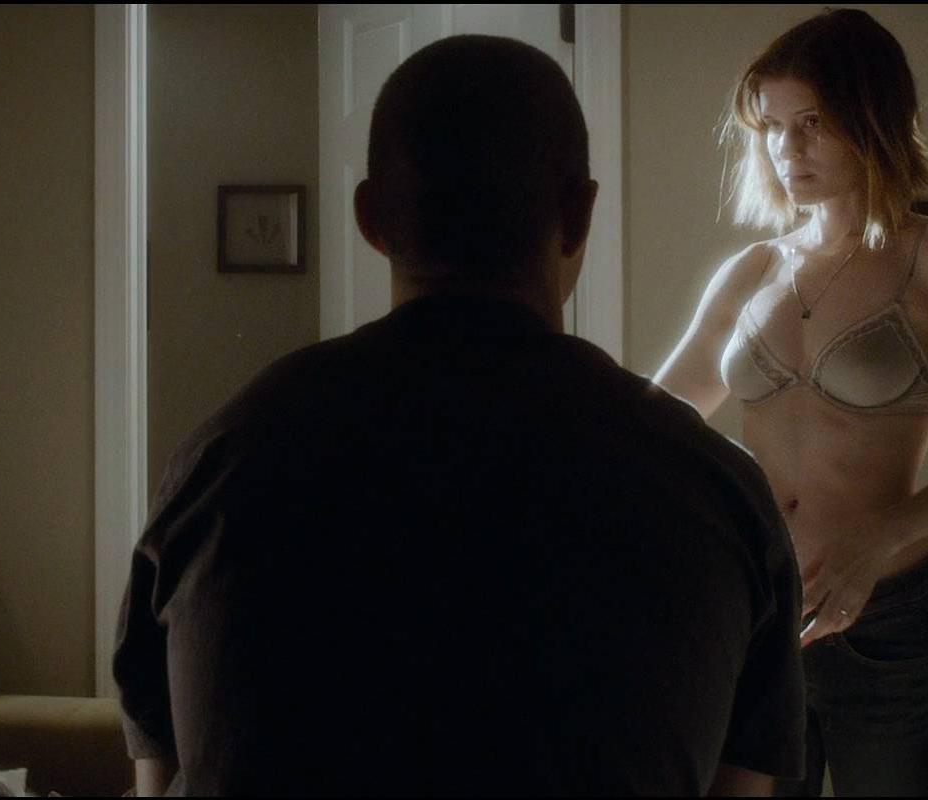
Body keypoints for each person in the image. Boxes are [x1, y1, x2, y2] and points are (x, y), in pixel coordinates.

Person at [113, 34, 805, 797]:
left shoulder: (221, 461)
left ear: (371, 218)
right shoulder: (719, 496)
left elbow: (160, 770)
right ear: (578, 214)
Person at [654, 9, 928, 797]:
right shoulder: (753, 270)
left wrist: (878, 538)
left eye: (812, 123)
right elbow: (656, 422)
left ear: (873, 117)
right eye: (773, 127)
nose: (787, 150)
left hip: (886, 620)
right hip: (758, 617)